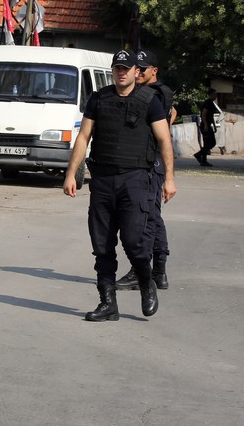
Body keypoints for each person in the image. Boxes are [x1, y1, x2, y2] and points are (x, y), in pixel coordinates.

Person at [63, 49, 176, 322]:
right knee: (102, 245)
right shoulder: (99, 99)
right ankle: (107, 303)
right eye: (118, 68)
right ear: (113, 71)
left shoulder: (150, 101)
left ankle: (146, 284)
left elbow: (164, 141)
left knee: (134, 240)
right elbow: (83, 136)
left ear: (136, 71)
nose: (122, 72)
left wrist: (170, 178)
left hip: (135, 179)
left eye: (126, 68)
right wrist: (71, 173)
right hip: (102, 180)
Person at [117, 50, 176, 292]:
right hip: (146, 162)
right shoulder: (156, 93)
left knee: (147, 219)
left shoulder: (155, 95)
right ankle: (158, 272)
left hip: (151, 164)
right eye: (137, 68)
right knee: (151, 216)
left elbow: (162, 125)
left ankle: (148, 270)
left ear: (154, 70)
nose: (139, 72)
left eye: (143, 68)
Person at [195, 89, 221, 167]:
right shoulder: (208, 103)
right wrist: (206, 124)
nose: (216, 96)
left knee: (210, 143)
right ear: (210, 94)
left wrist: (213, 126)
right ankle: (200, 157)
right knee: (209, 143)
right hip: (205, 125)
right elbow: (203, 114)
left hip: (209, 125)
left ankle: (202, 158)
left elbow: (211, 116)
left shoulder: (212, 103)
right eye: (215, 94)